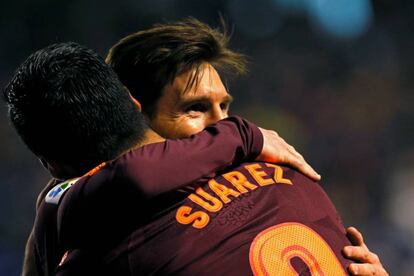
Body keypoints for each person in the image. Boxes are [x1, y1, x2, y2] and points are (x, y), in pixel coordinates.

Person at [106, 18, 387, 275]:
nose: (224, 126)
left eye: (224, 106)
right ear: (135, 119)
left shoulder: (126, 242)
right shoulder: (287, 177)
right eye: (195, 108)